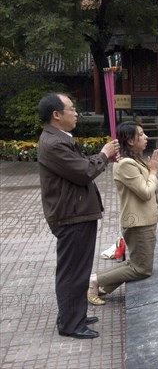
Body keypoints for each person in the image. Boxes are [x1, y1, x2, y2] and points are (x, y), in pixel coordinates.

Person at [37, 93, 120, 339]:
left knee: (78, 270)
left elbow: (81, 165)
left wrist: (101, 158)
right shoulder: (54, 143)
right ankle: (70, 325)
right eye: (71, 109)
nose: (75, 113)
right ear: (56, 115)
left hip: (76, 213)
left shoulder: (59, 139)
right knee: (73, 272)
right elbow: (83, 171)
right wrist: (104, 154)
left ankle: (74, 316)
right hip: (71, 216)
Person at [87, 121, 158, 305]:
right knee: (141, 269)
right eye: (141, 134)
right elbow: (145, 192)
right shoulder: (126, 164)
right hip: (137, 223)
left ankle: (104, 286)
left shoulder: (135, 159)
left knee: (135, 263)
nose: (146, 138)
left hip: (144, 221)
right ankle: (95, 281)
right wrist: (153, 172)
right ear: (129, 140)